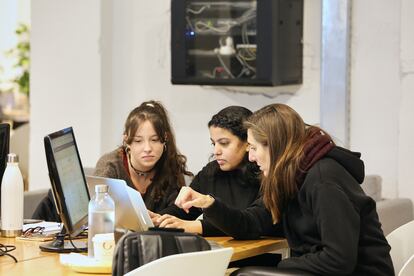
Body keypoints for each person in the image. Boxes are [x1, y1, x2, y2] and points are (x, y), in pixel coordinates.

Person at [173, 103, 394, 275]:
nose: (250, 157)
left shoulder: (323, 179)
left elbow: (339, 259)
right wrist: (209, 204)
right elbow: (251, 223)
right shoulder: (291, 177)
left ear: (274, 145)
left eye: (254, 148)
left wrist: (284, 266)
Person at [153, 106, 271, 238]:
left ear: (247, 143)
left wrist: (194, 225)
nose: (216, 151)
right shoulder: (211, 172)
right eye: (213, 143)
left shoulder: (264, 174)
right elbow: (185, 209)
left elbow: (245, 224)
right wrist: (160, 218)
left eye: (224, 143)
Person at [93, 100, 192, 213]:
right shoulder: (110, 166)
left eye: (154, 140)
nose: (147, 148)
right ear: (127, 141)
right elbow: (96, 211)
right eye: (138, 141)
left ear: (165, 139)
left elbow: (179, 216)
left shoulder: (171, 165)